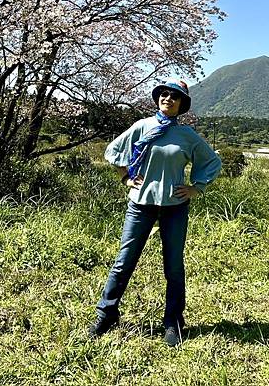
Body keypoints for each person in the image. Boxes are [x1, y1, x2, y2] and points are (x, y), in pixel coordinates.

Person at [88, 79, 222, 346]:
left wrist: (196, 188)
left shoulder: (187, 136)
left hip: (174, 207)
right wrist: (125, 178)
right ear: (158, 98)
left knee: (173, 266)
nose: (168, 98)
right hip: (140, 205)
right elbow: (114, 151)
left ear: (182, 104)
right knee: (124, 261)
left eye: (175, 96)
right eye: (164, 93)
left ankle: (173, 322)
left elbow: (211, 161)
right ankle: (107, 314)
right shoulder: (142, 127)